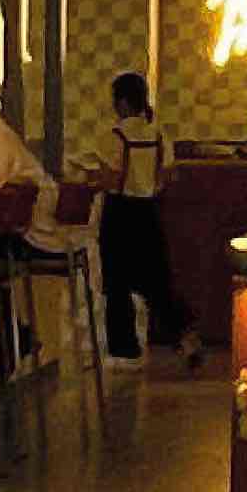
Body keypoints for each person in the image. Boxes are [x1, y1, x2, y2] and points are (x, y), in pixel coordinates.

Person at [94, 69, 192, 368]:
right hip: (149, 212)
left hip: (119, 213)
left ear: (122, 103)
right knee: (158, 282)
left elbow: (110, 179)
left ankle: (124, 350)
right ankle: (184, 336)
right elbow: (168, 175)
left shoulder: (113, 137)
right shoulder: (159, 135)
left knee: (117, 283)